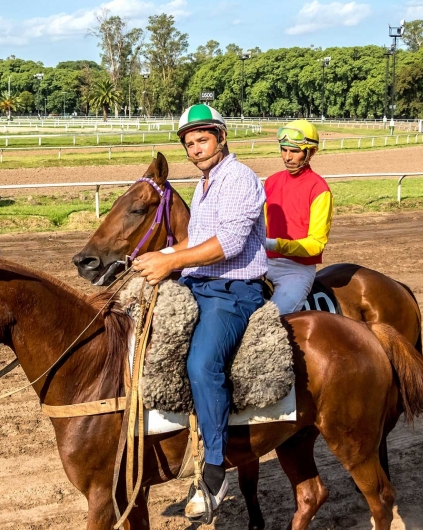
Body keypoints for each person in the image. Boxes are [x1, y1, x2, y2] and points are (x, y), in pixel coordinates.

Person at [131, 104, 267, 519]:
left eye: (202, 140)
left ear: (222, 138)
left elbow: (228, 242)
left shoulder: (240, 178)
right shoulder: (204, 185)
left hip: (235, 291)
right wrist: (153, 256)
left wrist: (171, 262)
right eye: (189, 144)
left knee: (203, 363)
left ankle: (214, 468)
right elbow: (195, 242)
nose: (196, 149)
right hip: (201, 282)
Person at [264, 119, 333, 314]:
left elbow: (316, 244)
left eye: (294, 151)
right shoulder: (270, 182)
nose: (287, 157)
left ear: (310, 152)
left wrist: (275, 244)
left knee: (271, 321)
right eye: (284, 149)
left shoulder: (319, 189)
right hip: (263, 263)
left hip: (296, 271)